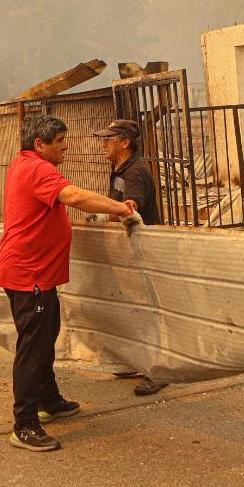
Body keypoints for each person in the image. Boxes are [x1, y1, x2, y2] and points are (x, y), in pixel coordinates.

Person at [0, 114, 137, 452]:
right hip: (30, 275)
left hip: (34, 274)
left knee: (45, 337)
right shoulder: (37, 169)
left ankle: (48, 399)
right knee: (33, 347)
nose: (66, 147)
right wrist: (121, 208)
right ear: (39, 144)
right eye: (60, 141)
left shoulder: (24, 163)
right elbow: (74, 197)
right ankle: (25, 424)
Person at [92, 118, 169, 397]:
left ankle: (158, 370)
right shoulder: (122, 169)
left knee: (147, 309)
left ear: (125, 142)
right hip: (131, 248)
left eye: (109, 139)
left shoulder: (135, 172)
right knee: (132, 307)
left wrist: (101, 212)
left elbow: (129, 208)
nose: (104, 143)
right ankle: (134, 360)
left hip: (144, 250)